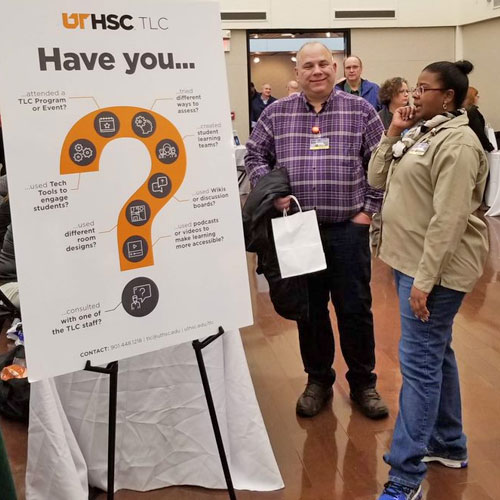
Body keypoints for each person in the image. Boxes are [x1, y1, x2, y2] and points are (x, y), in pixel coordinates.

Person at [245, 42, 388, 420]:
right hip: (298, 230)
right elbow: (254, 155)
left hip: (347, 229)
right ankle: (318, 380)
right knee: (310, 311)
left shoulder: (361, 111)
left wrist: (368, 212)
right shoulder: (276, 113)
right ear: (298, 73)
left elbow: (381, 164)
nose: (317, 71)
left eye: (323, 63)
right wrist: (272, 189)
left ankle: (363, 383)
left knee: (355, 309)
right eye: (308, 65)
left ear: (336, 66)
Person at [368, 60, 488, 500]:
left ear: (448, 96)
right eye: (413, 88)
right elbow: (376, 178)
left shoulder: (457, 144)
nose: (413, 95)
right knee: (437, 353)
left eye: (423, 88)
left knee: (418, 365)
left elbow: (449, 220)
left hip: (433, 270)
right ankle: (449, 444)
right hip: (409, 260)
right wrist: (392, 132)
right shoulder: (423, 131)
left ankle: (405, 476)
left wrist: (425, 280)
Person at [463, 86, 495, 152]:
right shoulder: (472, 111)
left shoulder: (464, 111)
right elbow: (478, 131)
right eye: (476, 95)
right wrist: (489, 147)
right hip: (475, 146)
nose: (478, 97)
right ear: (471, 98)